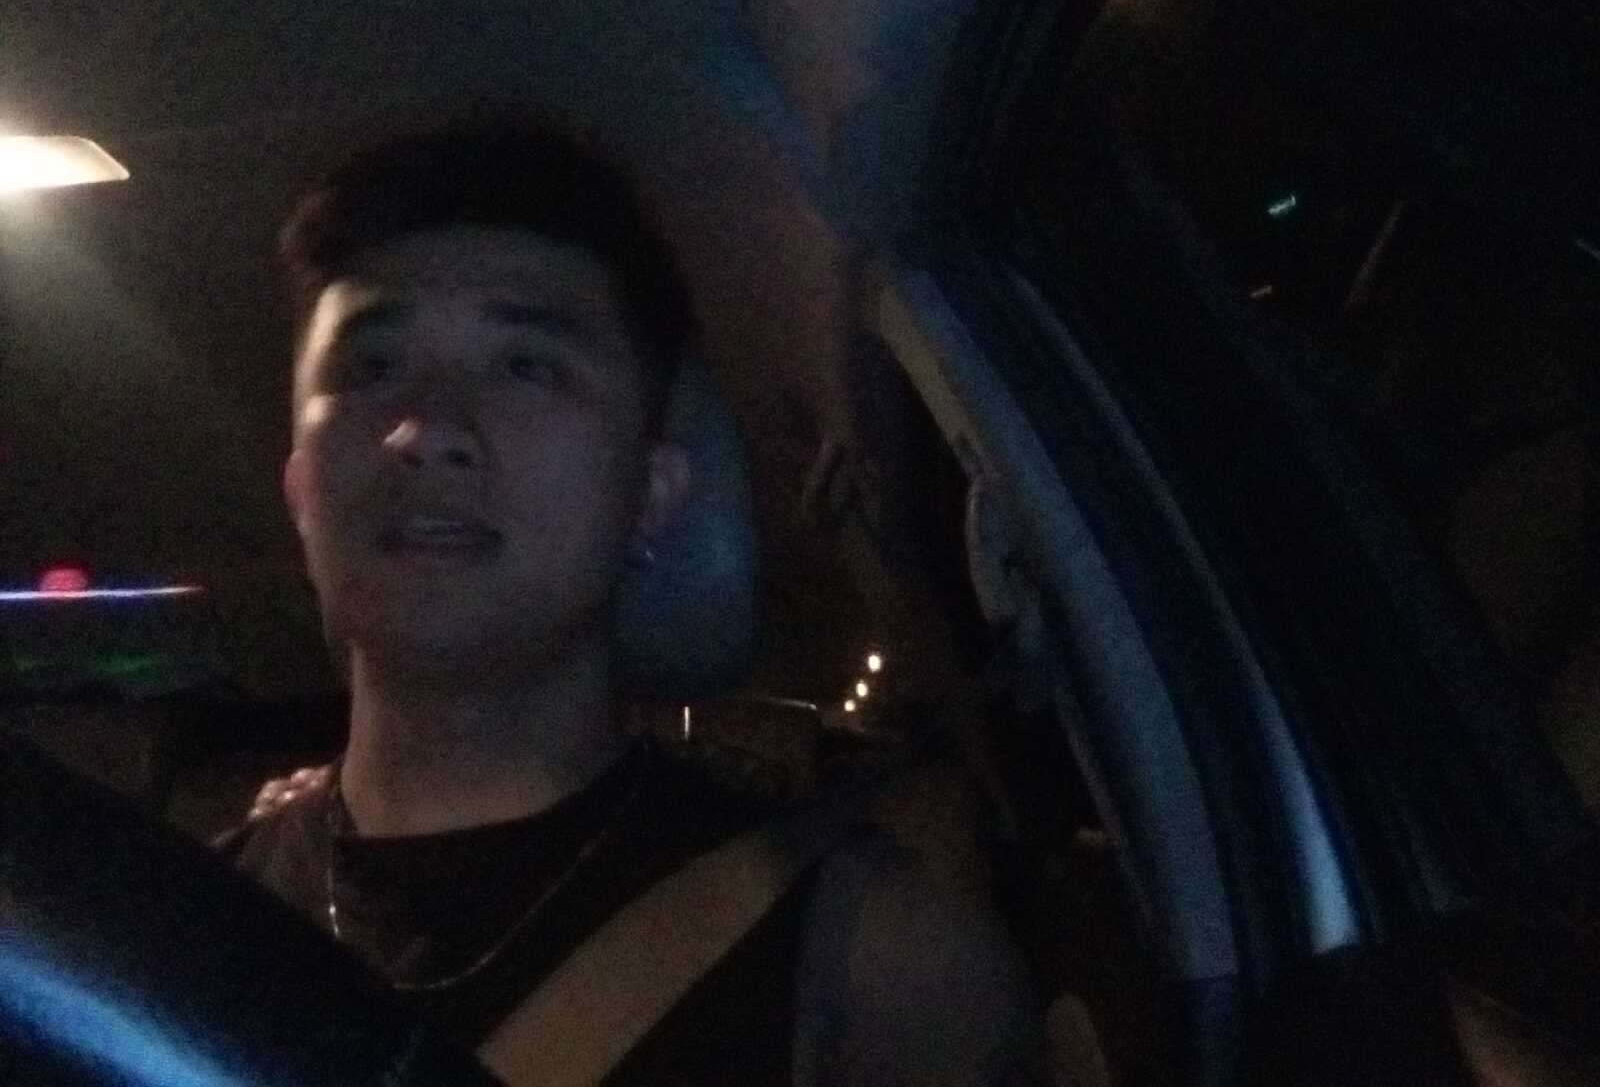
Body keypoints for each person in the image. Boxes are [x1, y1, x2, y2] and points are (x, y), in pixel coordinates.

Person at [217, 117, 1042, 1085]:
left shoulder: (873, 968)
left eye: (526, 367)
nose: (425, 429)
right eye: (372, 367)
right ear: (300, 491)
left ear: (649, 493)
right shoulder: (170, 929)